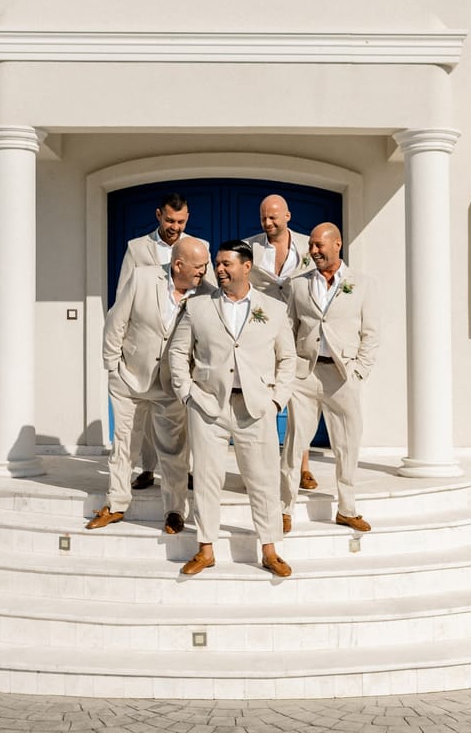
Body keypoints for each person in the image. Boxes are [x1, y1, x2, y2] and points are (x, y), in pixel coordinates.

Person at [169, 239, 296, 578]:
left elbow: (288, 359)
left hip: (256, 407)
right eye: (217, 263)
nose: (219, 269)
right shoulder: (198, 307)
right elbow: (178, 353)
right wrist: (187, 394)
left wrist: (276, 400)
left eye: (227, 263)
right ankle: (205, 548)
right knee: (206, 478)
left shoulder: (274, 309)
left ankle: (269, 549)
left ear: (246, 266)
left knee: (263, 479)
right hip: (208, 405)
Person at [87, 236, 212, 534]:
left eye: (206, 265)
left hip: (172, 385)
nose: (204, 271)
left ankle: (174, 511)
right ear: (178, 265)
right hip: (129, 377)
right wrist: (112, 367)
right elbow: (116, 321)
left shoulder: (206, 293)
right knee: (124, 444)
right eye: (198, 266)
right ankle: (116, 504)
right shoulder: (142, 278)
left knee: (174, 451)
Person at [280, 222, 379, 536]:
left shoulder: (362, 284)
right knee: (294, 443)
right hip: (305, 374)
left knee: (347, 444)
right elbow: (288, 328)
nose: (313, 251)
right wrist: (288, 368)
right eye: (311, 245)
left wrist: (359, 372)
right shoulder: (298, 284)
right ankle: (284, 509)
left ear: (337, 244)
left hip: (343, 375)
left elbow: (371, 334)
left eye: (319, 245)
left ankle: (346, 509)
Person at [116, 192, 213, 490]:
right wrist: (116, 356)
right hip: (146, 347)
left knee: (183, 413)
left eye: (181, 221)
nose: (175, 227)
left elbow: (207, 292)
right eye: (170, 220)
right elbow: (123, 297)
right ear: (159, 215)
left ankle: (186, 470)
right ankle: (147, 468)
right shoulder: (137, 248)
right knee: (146, 417)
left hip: (184, 345)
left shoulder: (200, 246)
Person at [246, 193, 318, 491]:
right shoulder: (249, 247)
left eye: (273, 217)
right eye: (263, 217)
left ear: (287, 216)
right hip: (263, 332)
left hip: (299, 331)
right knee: (263, 398)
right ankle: (261, 469)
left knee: (300, 403)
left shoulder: (308, 246)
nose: (267, 222)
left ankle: (303, 466)